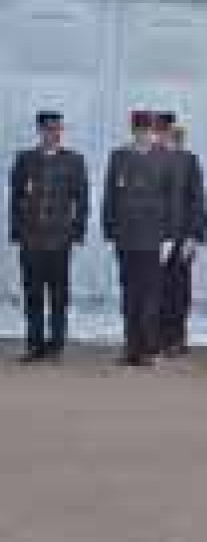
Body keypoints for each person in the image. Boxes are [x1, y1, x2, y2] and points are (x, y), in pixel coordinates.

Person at [9, 111, 89, 361]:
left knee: (58, 294)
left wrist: (77, 233)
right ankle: (34, 345)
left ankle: (56, 344)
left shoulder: (74, 161)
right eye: (48, 130)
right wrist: (17, 232)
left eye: (57, 130)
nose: (53, 135)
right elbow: (15, 199)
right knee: (32, 294)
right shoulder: (25, 159)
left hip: (59, 239)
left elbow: (82, 200)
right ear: (39, 131)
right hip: (31, 239)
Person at [103, 110, 178, 366]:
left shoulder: (166, 158)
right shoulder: (119, 156)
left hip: (154, 237)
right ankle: (131, 348)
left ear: (154, 131)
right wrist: (110, 229)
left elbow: (172, 200)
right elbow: (110, 196)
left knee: (151, 295)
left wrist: (169, 237)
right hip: (125, 235)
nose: (143, 134)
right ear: (132, 130)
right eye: (139, 129)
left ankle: (150, 348)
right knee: (129, 293)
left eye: (147, 129)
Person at [155, 115, 207, 357]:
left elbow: (197, 200)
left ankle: (176, 338)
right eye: (161, 131)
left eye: (170, 131)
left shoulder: (188, 161)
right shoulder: (149, 158)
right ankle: (153, 337)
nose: (165, 135)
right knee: (153, 290)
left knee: (178, 292)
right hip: (151, 237)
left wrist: (194, 236)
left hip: (180, 237)